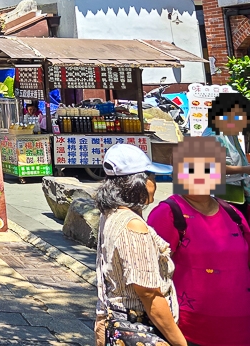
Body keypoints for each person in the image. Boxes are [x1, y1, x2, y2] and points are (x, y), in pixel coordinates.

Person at [147, 136, 250, 346]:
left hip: (242, 331)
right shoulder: (167, 214)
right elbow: (150, 282)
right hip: (190, 333)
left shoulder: (233, 214)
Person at [94, 144, 183, 346]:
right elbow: (150, 295)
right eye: (152, 177)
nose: (155, 184)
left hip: (112, 323)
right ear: (137, 183)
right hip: (138, 328)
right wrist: (180, 342)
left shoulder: (111, 213)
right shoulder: (133, 226)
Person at [201, 90, 250, 213]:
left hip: (237, 191)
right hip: (222, 194)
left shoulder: (230, 131)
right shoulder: (213, 135)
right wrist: (245, 170)